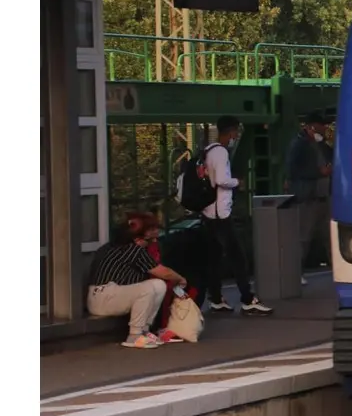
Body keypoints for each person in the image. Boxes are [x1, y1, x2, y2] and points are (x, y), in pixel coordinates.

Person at [200, 116, 274, 315]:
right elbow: (222, 180)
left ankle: (215, 298)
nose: (236, 135)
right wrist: (236, 182)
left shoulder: (208, 150)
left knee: (214, 258)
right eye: (236, 131)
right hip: (221, 213)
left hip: (208, 211)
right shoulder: (221, 152)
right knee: (238, 257)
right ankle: (248, 299)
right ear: (231, 131)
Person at [87, 211, 188, 348]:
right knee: (147, 289)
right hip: (102, 297)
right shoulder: (133, 250)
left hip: (104, 296)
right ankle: (134, 336)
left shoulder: (113, 247)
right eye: (151, 237)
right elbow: (165, 273)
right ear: (138, 238)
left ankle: (144, 331)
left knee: (158, 285)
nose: (154, 240)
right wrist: (181, 279)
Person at [284, 112, 333, 269]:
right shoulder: (299, 144)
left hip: (323, 196)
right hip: (308, 198)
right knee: (303, 238)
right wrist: (319, 172)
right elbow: (293, 170)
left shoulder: (321, 145)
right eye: (322, 125)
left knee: (330, 237)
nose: (325, 128)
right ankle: (294, 274)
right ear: (312, 126)